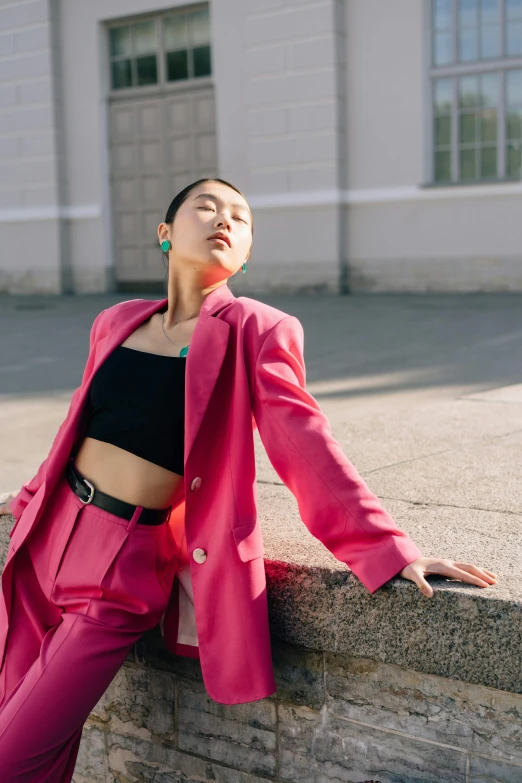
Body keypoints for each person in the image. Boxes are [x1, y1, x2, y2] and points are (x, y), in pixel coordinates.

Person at [0, 177, 497, 781]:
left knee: (12, 752)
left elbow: (305, 445)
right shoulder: (117, 320)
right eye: (207, 207)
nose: (225, 220)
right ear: (165, 235)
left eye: (241, 217)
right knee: (30, 738)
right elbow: (80, 422)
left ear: (247, 252)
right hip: (45, 539)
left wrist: (388, 550)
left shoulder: (254, 329)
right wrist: (27, 499)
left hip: (119, 571)